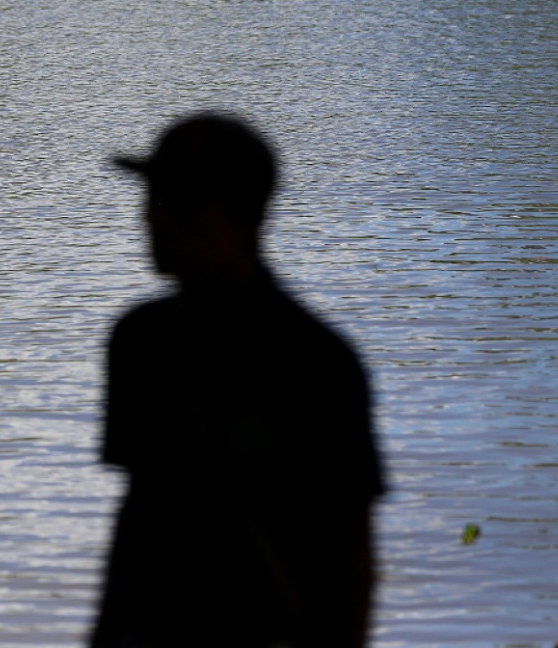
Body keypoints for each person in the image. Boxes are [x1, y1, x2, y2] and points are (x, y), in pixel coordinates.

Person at [89, 113, 385, 648]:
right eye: (153, 198)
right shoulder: (138, 342)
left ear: (242, 219)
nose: (153, 220)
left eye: (178, 203)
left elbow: (351, 556)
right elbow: (136, 523)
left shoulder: (317, 363)